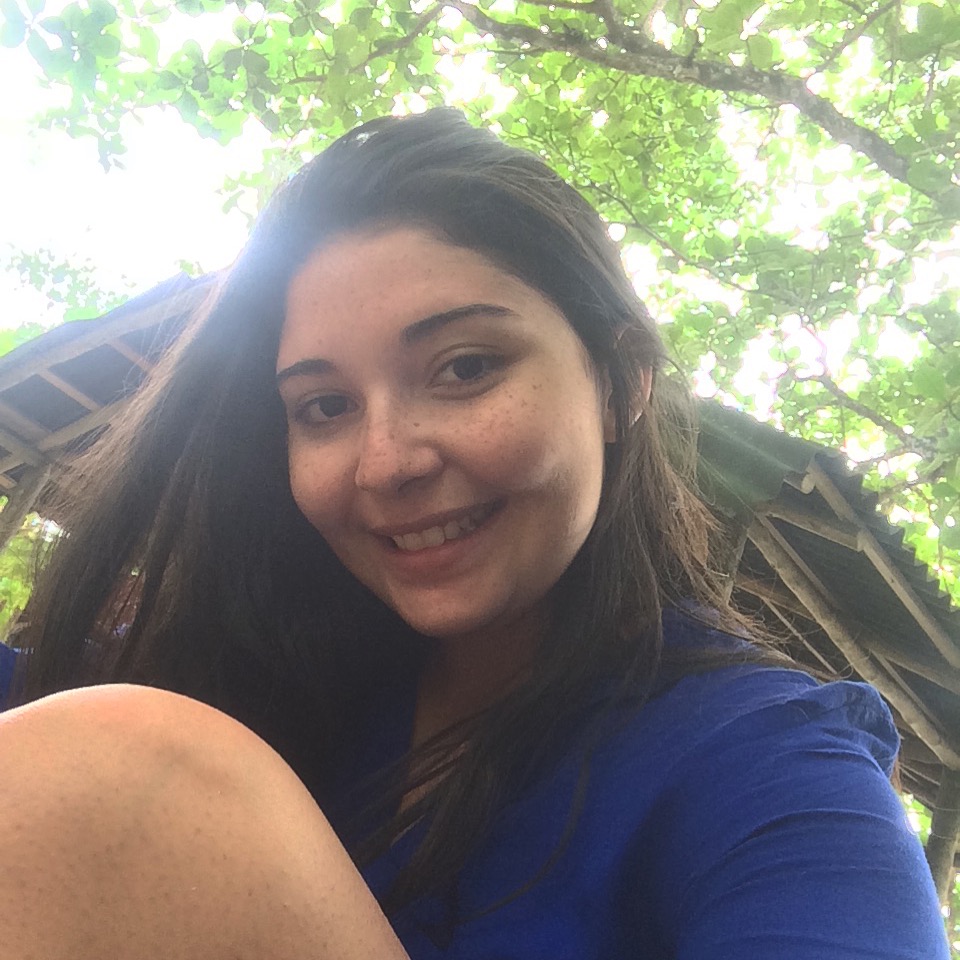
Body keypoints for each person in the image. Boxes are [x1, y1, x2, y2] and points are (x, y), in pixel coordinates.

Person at [0, 109, 948, 959]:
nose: (385, 462)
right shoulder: (271, 674)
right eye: (324, 406)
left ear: (621, 384)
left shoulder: (766, 767)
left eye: (463, 368)